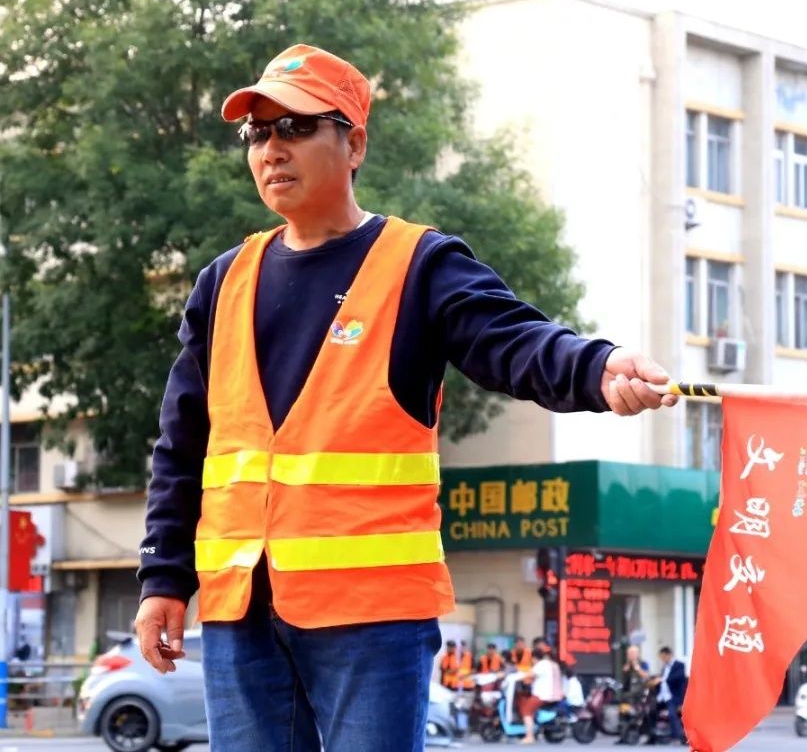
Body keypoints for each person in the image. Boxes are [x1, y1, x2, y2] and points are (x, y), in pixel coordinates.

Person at [131, 43, 676, 752]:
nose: (272, 148)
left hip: (373, 616)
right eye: (257, 132)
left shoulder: (418, 264)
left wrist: (597, 368)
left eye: (296, 126)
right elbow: (182, 446)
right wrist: (161, 577)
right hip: (241, 611)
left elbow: (513, 340)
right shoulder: (225, 281)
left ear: (353, 142)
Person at [519, 647, 563, 744]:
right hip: (555, 695)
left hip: (543, 695)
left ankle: (529, 736)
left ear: (534, 658)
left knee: (526, 711)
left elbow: (529, 675)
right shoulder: (554, 664)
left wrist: (519, 676)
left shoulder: (541, 664)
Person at [651, 646, 687, 744]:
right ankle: (652, 735)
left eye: (663, 657)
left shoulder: (679, 665)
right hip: (661, 696)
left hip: (672, 697)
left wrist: (661, 679)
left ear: (668, 655)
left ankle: (677, 736)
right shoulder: (664, 667)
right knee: (650, 711)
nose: (662, 659)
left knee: (672, 714)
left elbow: (677, 678)